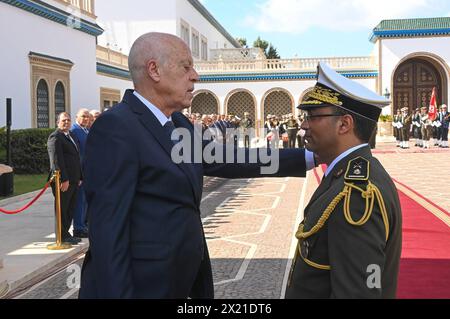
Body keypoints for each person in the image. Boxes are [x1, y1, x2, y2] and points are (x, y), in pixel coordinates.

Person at [78, 32, 316, 299]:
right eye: (186, 66)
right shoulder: (116, 128)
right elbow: (109, 235)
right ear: (154, 70)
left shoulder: (178, 124)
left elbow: (233, 159)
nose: (195, 76)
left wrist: (311, 157)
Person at [285, 62, 402, 299]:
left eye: (313, 116)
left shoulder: (356, 194)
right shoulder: (346, 175)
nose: (304, 125)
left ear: (344, 124)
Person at [47, 113, 83, 245]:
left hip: (74, 179)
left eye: (68, 120)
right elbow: (56, 161)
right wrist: (64, 179)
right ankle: (61, 236)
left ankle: (66, 234)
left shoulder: (70, 135)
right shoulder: (55, 137)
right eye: (63, 120)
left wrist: (80, 176)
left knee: (70, 208)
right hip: (63, 180)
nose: (66, 122)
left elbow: (76, 157)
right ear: (57, 122)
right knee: (62, 208)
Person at [70, 109, 90, 238]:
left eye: (87, 117)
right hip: (80, 172)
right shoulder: (75, 131)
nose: (86, 119)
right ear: (77, 117)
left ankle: (83, 225)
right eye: (83, 116)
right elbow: (75, 154)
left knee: (84, 201)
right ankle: (78, 227)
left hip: (87, 170)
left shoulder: (85, 130)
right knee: (79, 201)